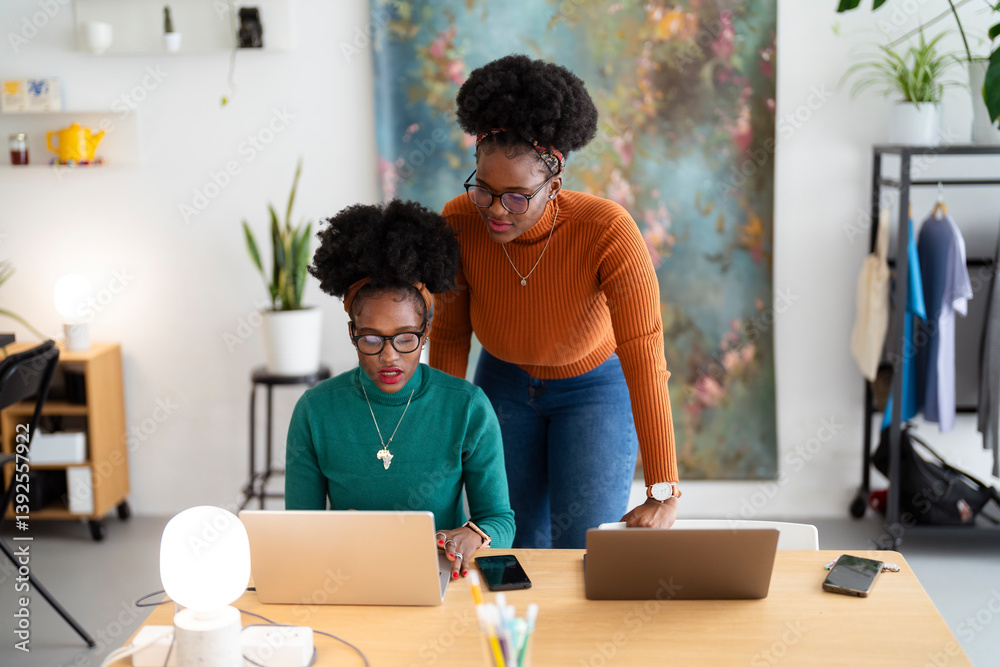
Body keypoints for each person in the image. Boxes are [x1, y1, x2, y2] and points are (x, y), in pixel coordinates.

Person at [429, 54, 680, 549]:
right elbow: (451, 335)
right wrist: (442, 444)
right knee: (512, 543)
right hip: (501, 385)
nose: (496, 210)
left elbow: (644, 354)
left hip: (594, 389)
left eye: (517, 196)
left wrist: (663, 490)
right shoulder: (458, 221)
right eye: (484, 189)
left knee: (584, 546)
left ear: (554, 186)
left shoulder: (606, 231)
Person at [285, 199, 515, 576]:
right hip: (346, 574)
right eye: (371, 339)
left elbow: (500, 520)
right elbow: (299, 528)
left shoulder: (467, 407)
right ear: (352, 333)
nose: (389, 356)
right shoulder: (315, 410)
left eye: (406, 337)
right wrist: (333, 531)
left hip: (436, 574)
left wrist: (473, 535)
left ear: (426, 332)